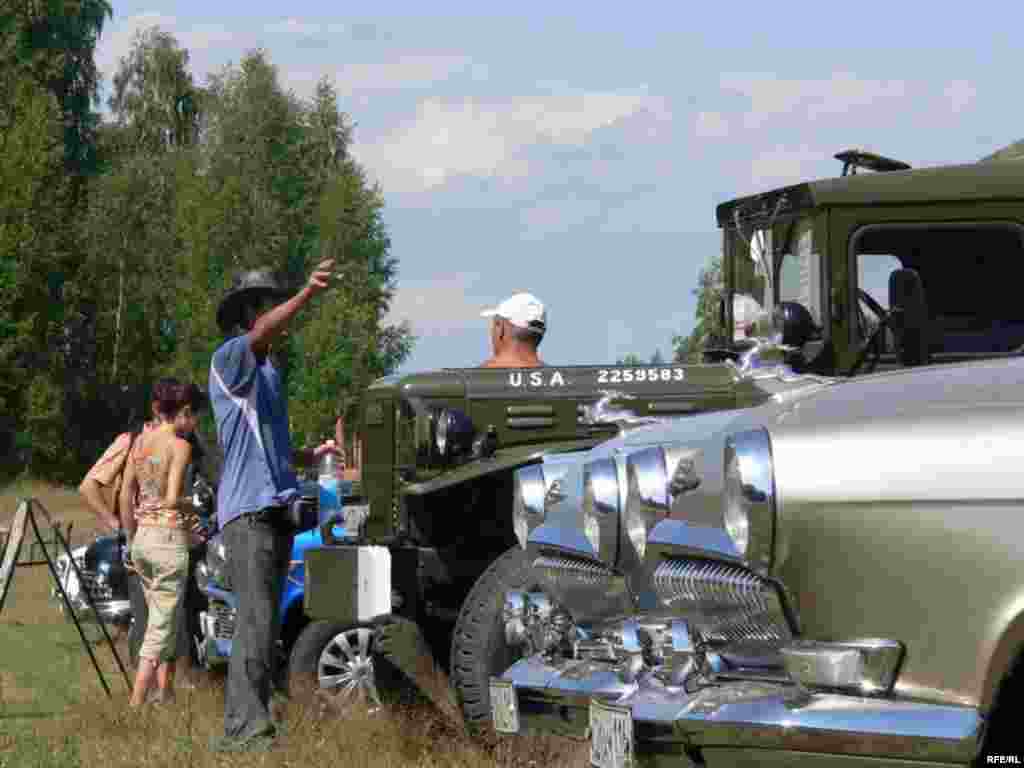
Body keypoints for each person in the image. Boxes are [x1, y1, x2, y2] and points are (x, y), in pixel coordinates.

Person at [209, 262, 339, 752]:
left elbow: (272, 447)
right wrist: (307, 291)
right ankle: (243, 732)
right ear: (248, 314)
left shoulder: (268, 373)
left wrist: (313, 456)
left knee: (265, 626)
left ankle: (255, 720)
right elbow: (266, 330)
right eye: (263, 303)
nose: (271, 312)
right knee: (255, 622)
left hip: (275, 511)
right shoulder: (231, 359)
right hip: (248, 515)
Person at [119, 380, 207, 708]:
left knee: (162, 620)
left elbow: (126, 492)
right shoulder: (179, 446)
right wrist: (193, 505)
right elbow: (171, 499)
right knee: (159, 628)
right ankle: (136, 703)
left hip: (142, 539)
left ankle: (164, 695)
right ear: (184, 412)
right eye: (195, 415)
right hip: (168, 542)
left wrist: (130, 538)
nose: (195, 423)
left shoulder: (140, 442)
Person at [479, 292, 547, 368]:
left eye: (495, 324)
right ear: (542, 333)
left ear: (501, 328)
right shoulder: (556, 378)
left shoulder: (470, 378)